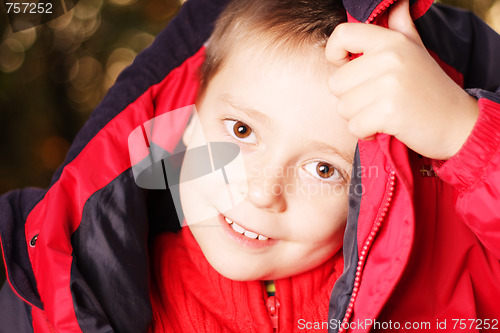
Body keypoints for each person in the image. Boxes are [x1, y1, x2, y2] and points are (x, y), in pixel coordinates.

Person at [1, 0, 500, 333]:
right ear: (185, 121)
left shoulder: (436, 279)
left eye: (324, 170)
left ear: (369, 196)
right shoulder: (96, 290)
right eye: (241, 132)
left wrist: (463, 135)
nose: (264, 192)